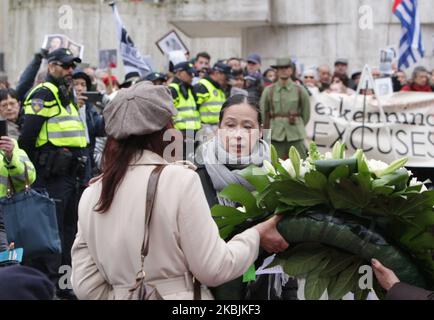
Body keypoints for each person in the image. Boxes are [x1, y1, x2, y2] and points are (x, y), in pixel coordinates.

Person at [70, 81, 283, 300]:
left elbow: (86, 287)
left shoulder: (92, 192)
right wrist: (256, 235)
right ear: (163, 131)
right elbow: (213, 267)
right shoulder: (182, 180)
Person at [195, 94, 296, 300]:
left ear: (260, 131)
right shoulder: (196, 177)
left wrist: (290, 293)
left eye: (248, 127)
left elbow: (289, 243)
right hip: (214, 291)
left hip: (268, 289)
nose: (238, 135)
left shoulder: (277, 175)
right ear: (218, 129)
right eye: (230, 125)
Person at [19, 48, 87, 300]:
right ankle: (50, 287)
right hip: (52, 175)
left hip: (71, 174)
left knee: (70, 231)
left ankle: (65, 284)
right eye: (66, 66)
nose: (70, 71)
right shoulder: (44, 93)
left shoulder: (65, 95)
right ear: (51, 67)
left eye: (72, 67)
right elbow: (27, 138)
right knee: (54, 232)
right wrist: (29, 174)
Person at [260, 58, 311, 159]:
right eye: (280, 68)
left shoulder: (300, 90)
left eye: (286, 68)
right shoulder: (269, 91)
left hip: (295, 133)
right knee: (273, 165)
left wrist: (298, 124)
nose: (283, 70)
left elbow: (306, 114)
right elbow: (263, 113)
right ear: (277, 71)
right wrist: (266, 135)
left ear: (291, 70)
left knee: (302, 164)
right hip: (275, 134)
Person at [0, 136, 36, 253]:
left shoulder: (11, 145)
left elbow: (29, 177)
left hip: (6, 212)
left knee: (6, 259)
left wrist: (10, 157)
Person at [72, 69, 106, 185]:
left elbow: (101, 129)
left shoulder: (90, 110)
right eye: (75, 84)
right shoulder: (64, 107)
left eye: (83, 85)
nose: (79, 88)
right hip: (70, 161)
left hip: (87, 161)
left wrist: (105, 109)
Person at [169, 61, 201, 160]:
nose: (192, 76)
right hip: (181, 135)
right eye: (189, 73)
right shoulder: (173, 89)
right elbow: (167, 115)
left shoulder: (188, 89)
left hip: (193, 134)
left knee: (192, 164)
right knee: (182, 164)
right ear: (178, 73)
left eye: (192, 74)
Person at [194, 62, 231, 144]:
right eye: (226, 77)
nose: (227, 80)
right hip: (204, 129)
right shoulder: (202, 87)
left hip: (217, 129)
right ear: (217, 73)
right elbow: (193, 110)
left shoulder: (219, 89)